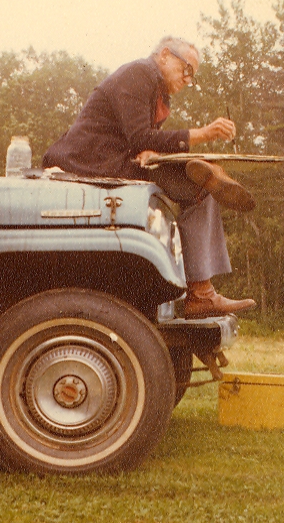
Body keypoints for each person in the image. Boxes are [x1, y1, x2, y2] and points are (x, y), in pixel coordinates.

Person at [43, 36, 256, 319]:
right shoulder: (139, 73)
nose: (187, 79)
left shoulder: (155, 90)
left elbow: (140, 137)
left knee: (201, 183)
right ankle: (201, 294)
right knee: (200, 182)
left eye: (192, 75)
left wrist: (150, 150)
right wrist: (202, 134)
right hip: (88, 161)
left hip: (113, 159)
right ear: (165, 54)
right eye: (187, 69)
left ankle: (201, 292)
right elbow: (140, 136)